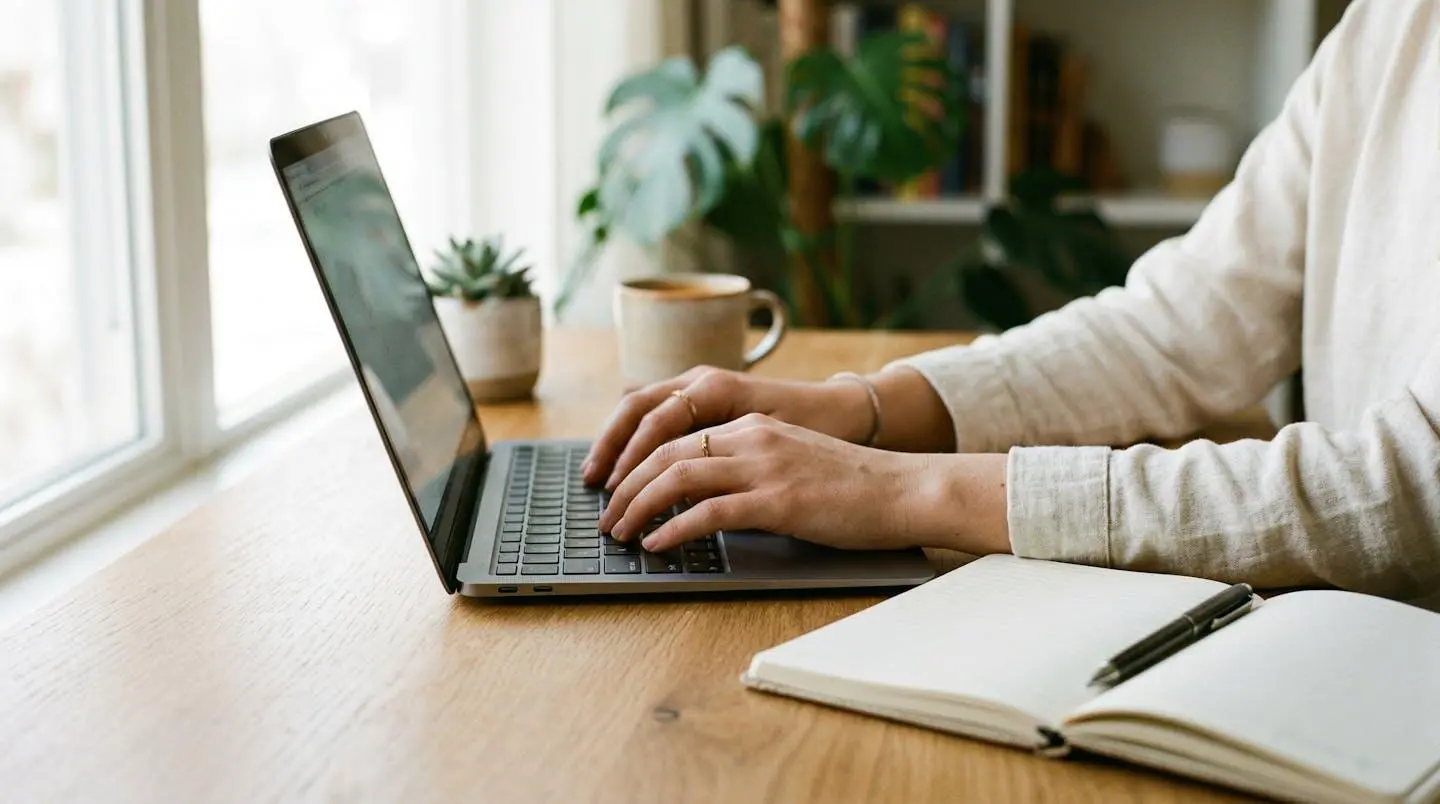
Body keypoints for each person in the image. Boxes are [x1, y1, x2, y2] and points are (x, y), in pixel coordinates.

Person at [583, 0, 1440, 600]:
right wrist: (860, 408)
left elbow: (1409, 493)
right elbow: (1177, 331)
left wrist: (902, 492)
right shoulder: (1387, 24)